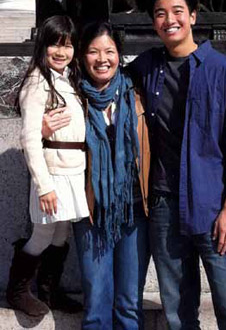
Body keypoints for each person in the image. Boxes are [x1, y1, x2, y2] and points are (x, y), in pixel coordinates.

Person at [128, 0, 226, 329]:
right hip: (164, 208)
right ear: (154, 22)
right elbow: (101, 83)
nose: (170, 20)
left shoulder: (224, 72)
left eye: (178, 12)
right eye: (160, 14)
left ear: (193, 16)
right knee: (178, 315)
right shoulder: (147, 68)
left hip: (215, 208)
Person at [42, 21, 150, 329]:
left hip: (134, 211)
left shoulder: (137, 94)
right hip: (90, 212)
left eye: (109, 51)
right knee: (97, 304)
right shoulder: (72, 98)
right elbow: (40, 142)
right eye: (93, 51)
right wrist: (41, 130)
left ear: (119, 55)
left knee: (129, 304)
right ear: (81, 56)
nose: (102, 59)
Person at [6, 15, 87, 316]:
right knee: (42, 234)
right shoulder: (37, 82)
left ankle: (49, 291)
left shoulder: (67, 79)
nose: (61, 52)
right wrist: (44, 185)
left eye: (67, 45)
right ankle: (17, 290)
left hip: (72, 170)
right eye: (55, 44)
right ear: (43, 45)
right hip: (52, 172)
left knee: (61, 233)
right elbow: (29, 138)